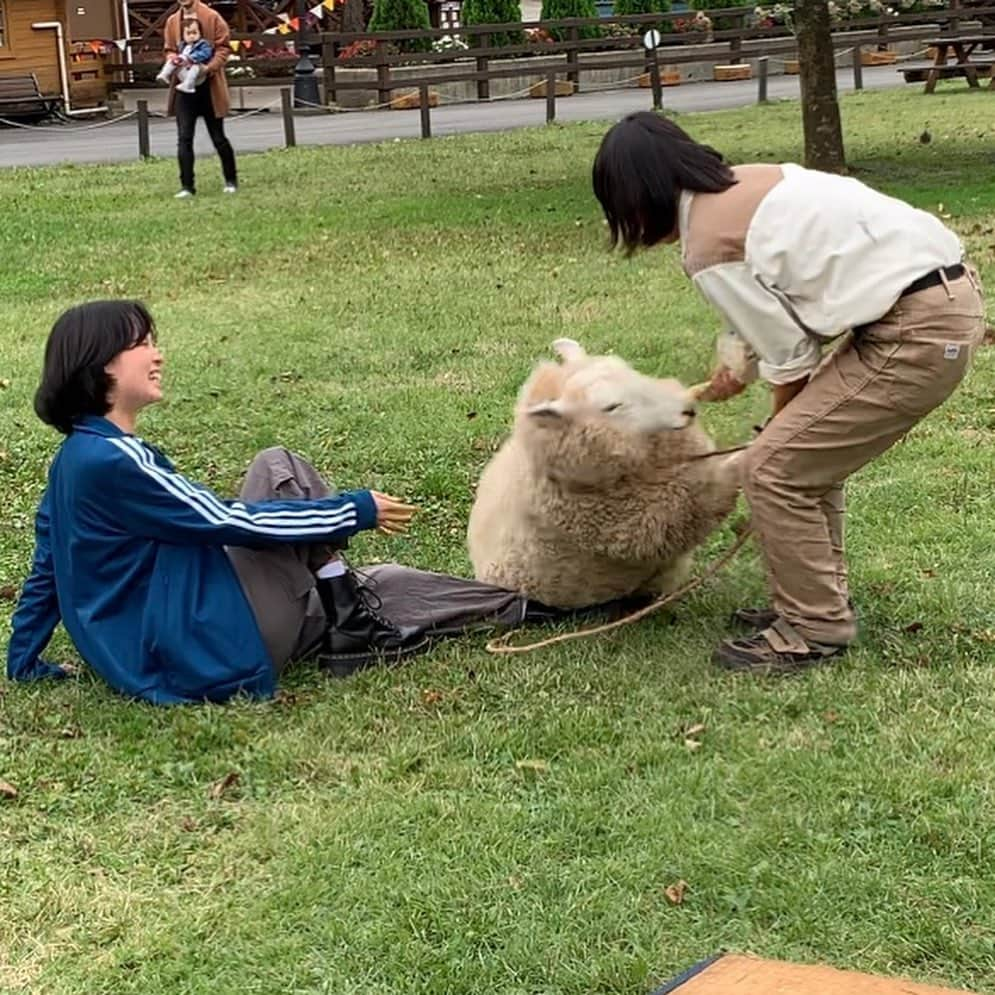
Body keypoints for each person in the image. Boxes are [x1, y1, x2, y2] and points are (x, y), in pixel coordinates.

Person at [592, 112, 986, 675]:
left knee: (776, 467)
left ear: (635, 197)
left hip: (916, 329)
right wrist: (738, 360)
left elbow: (792, 360)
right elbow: (777, 295)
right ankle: (818, 600)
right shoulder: (744, 184)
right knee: (801, 462)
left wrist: (772, 431)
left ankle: (812, 627)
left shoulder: (706, 240)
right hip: (937, 301)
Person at [5, 300, 426, 705]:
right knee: (279, 469)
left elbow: (46, 568)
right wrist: (354, 510)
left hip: (151, 654)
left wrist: (22, 661)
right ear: (100, 363)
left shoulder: (73, 458)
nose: (158, 356)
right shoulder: (115, 460)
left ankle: (347, 613)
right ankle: (352, 624)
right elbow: (223, 520)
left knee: (278, 477)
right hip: (205, 655)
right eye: (142, 344)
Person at [163, 0, 237, 198]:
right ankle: (187, 186)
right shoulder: (172, 21)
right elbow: (169, 49)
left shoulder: (212, 17)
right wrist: (173, 60)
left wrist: (208, 68)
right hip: (183, 88)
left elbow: (224, 48)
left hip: (209, 87)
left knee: (218, 138)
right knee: (184, 138)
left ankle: (231, 180)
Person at [156, 18, 213, 94]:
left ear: (200, 33)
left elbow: (206, 53)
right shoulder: (182, 45)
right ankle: (164, 74)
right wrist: (176, 59)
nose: (192, 36)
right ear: (183, 35)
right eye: (188, 33)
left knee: (194, 67)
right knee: (173, 59)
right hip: (183, 70)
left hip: (197, 70)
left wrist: (191, 58)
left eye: (194, 33)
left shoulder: (203, 44)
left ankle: (188, 85)